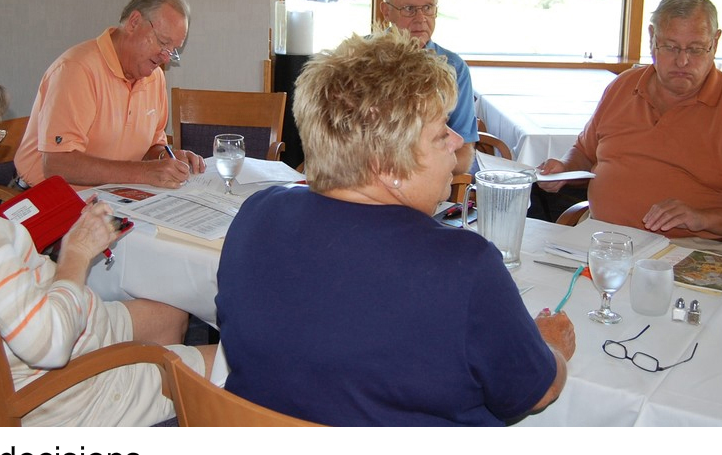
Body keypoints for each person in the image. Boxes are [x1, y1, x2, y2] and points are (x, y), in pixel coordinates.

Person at [215, 30, 574, 426]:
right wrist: (551, 346)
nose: (457, 141)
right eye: (441, 133)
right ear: (388, 168)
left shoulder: (257, 215)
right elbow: (536, 393)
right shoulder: (463, 265)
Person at [0, 54, 213, 426]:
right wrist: (76, 253)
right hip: (55, 394)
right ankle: (144, 404)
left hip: (21, 339)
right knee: (231, 365)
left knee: (170, 315)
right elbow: (50, 346)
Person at [539, 0, 722, 250]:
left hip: (689, 247)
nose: (682, 61)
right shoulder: (623, 87)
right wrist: (564, 168)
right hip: (600, 236)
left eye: (696, 49)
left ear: (715, 42)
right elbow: (585, 153)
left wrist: (702, 218)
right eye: (671, 47)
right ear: (652, 38)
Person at [14, 0, 206, 191]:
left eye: (173, 51)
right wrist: (144, 172)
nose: (166, 57)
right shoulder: (77, 69)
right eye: (163, 42)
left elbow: (151, 146)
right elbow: (58, 164)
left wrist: (166, 158)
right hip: (47, 197)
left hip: (113, 196)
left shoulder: (155, 77)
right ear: (134, 22)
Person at [380, 0, 478, 173]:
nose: (421, 18)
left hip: (430, 180)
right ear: (386, 11)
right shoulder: (358, 61)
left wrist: (417, 176)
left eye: (428, 7)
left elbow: (464, 152)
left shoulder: (454, 68)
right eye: (409, 9)